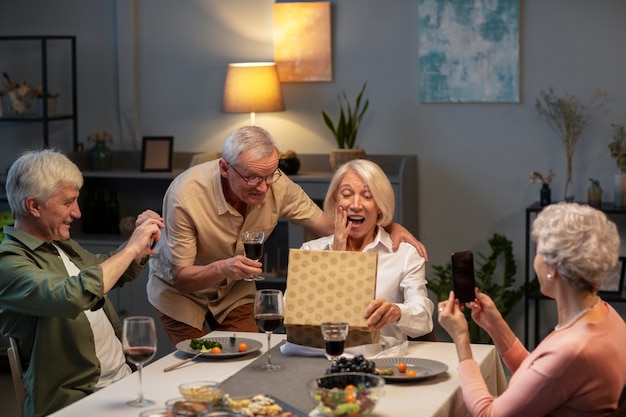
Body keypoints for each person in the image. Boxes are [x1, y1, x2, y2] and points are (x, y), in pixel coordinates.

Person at [147, 125, 427, 345]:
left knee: (246, 361)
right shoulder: (185, 195)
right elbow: (182, 278)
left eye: (271, 174)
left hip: (234, 289)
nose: (264, 187)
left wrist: (387, 225)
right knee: (198, 366)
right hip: (182, 291)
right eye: (253, 178)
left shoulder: (277, 185)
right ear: (225, 168)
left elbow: (334, 225)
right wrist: (224, 267)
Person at [0, 149, 164, 417]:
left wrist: (140, 241)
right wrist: (131, 248)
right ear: (34, 206)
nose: (77, 212)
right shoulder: (8, 263)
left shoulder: (59, 244)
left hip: (125, 382)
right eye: (68, 202)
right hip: (78, 402)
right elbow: (70, 296)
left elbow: (113, 271)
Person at [438, 202, 626, 416]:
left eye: (538, 251)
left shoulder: (573, 350)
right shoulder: (607, 317)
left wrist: (461, 339)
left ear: (553, 269)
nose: (535, 260)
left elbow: (487, 413)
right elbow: (543, 378)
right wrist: (496, 326)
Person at [301, 159, 434, 347]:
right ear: (335, 200)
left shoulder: (404, 255)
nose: (356, 204)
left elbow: (424, 319)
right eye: (347, 195)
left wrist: (397, 311)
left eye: (367, 196)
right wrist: (335, 259)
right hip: (319, 358)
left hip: (382, 360)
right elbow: (292, 311)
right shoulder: (311, 252)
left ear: (380, 205)